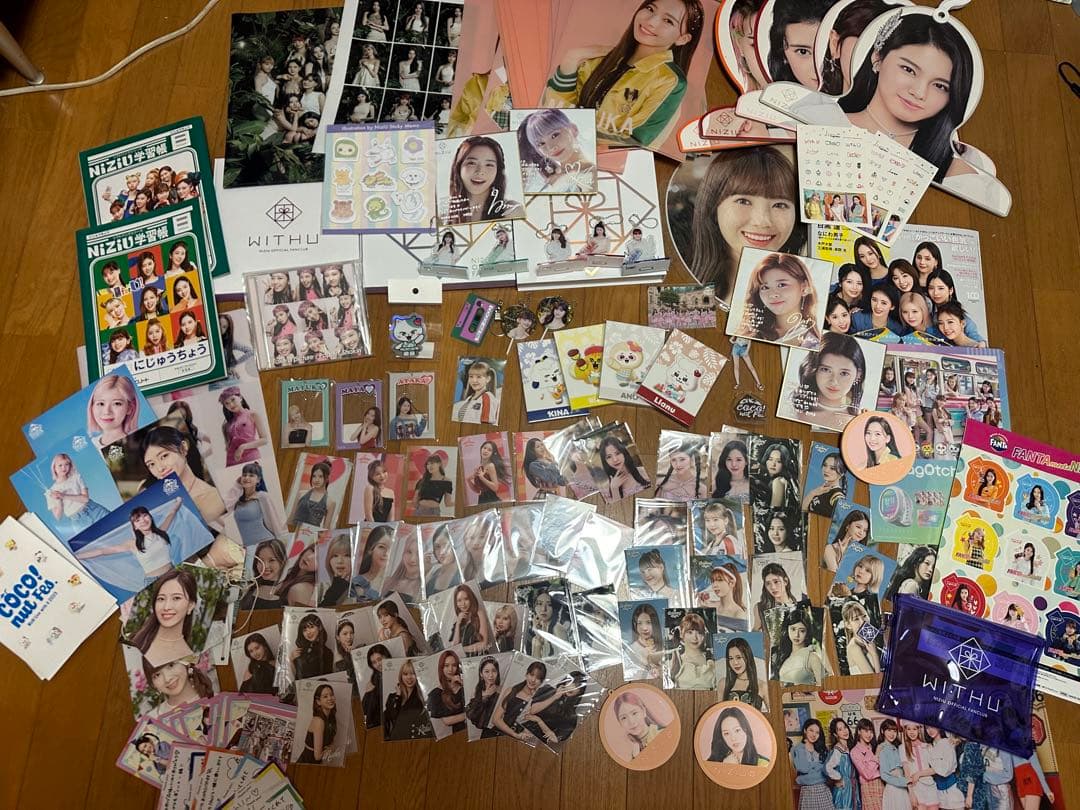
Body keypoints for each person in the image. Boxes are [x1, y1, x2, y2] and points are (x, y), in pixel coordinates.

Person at [542, 0, 705, 148]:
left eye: (668, 21)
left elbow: (636, 139)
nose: (651, 21)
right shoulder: (598, 59)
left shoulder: (670, 81)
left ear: (683, 39)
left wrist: (571, 135)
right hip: (560, 150)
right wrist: (572, 58)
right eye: (650, 9)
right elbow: (552, 110)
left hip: (603, 163)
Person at [684, 146, 802, 296]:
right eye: (743, 201)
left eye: (780, 205)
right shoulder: (680, 288)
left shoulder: (811, 296)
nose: (762, 221)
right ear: (713, 208)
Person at [74, 498, 182, 581]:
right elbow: (102, 551)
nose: (143, 520)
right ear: (135, 527)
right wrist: (76, 557)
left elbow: (172, 513)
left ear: (150, 517)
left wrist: (178, 500)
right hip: (154, 580)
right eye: (137, 520)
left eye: (145, 515)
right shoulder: (132, 544)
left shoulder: (161, 531)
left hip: (173, 572)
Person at [735, 252, 822, 348]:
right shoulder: (750, 332)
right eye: (765, 287)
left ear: (804, 287)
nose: (773, 294)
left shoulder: (813, 344)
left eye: (782, 285)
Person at [789, 331, 866, 430]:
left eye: (844, 373)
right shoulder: (789, 407)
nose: (834, 382)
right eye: (825, 369)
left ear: (858, 375)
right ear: (814, 369)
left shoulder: (861, 420)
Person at [130, 567, 198, 665]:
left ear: (190, 605)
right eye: (161, 599)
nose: (166, 607)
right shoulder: (133, 638)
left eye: (176, 598)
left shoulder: (188, 658)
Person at [517, 109, 596, 193]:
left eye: (554, 135)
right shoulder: (551, 180)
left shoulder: (591, 173)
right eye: (541, 143)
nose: (551, 147)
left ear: (573, 129)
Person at [445, 136, 520, 224]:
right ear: (458, 167)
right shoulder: (444, 218)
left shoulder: (512, 210)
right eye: (472, 163)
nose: (480, 172)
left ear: (498, 171)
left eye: (489, 165)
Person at [492, 661, 568, 744]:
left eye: (538, 678)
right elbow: (496, 719)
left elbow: (534, 726)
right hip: (497, 736)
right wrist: (515, 735)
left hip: (519, 743)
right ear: (526, 674)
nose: (533, 680)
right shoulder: (511, 691)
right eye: (531, 675)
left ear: (542, 681)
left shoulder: (539, 701)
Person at [44, 452, 110, 534]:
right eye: (60, 465)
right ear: (54, 468)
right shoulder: (50, 492)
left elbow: (85, 499)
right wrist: (59, 501)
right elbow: (58, 517)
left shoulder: (76, 477)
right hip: (78, 522)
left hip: (94, 510)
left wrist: (63, 495)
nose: (64, 468)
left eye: (66, 464)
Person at [143, 658, 215, 718]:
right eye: (157, 675)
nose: (167, 679)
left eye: (171, 665)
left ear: (186, 662)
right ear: (153, 684)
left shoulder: (216, 701)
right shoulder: (152, 719)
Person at [384, 659, 434, 740]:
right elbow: (393, 718)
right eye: (405, 674)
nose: (409, 677)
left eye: (413, 673)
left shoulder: (423, 697)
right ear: (401, 676)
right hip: (396, 740)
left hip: (417, 739)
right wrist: (398, 696)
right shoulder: (392, 697)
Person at [774, 607, 825, 686]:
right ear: (787, 629)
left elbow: (824, 686)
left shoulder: (812, 658)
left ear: (807, 632)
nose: (796, 635)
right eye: (793, 629)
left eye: (802, 631)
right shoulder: (784, 656)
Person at [611, 690, 667, 761]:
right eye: (624, 718)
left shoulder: (662, 734)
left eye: (634, 713)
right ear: (620, 722)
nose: (631, 722)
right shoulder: (628, 747)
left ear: (644, 711)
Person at [792, 719, 835, 810]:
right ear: (805, 730)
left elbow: (827, 770)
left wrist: (812, 767)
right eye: (811, 730)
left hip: (823, 790)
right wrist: (818, 766)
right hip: (808, 792)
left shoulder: (822, 749)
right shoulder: (798, 749)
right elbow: (803, 768)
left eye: (817, 732)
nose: (814, 734)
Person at [670, 611, 715, 689]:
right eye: (690, 632)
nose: (695, 638)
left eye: (699, 633)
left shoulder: (711, 658)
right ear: (682, 634)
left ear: (704, 635)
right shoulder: (676, 659)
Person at [599, 434, 651, 501]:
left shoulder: (643, 472)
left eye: (617, 453)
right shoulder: (605, 488)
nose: (615, 459)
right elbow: (617, 507)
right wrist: (614, 489)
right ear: (605, 461)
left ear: (624, 452)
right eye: (609, 457)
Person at [752, 562, 801, 632]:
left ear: (785, 581)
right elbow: (755, 631)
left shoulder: (798, 607)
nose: (773, 587)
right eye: (768, 583)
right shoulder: (760, 608)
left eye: (776, 581)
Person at [426, 650, 467, 735]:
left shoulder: (464, 687)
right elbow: (447, 721)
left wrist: (464, 684)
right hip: (457, 735)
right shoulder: (436, 693)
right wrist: (468, 715)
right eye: (446, 665)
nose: (450, 669)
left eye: (454, 665)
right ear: (441, 668)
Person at [297, 684, 339, 764]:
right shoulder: (319, 721)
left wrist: (330, 748)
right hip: (307, 763)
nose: (330, 698)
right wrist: (330, 749)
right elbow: (318, 756)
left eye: (331, 695)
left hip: (318, 763)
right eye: (325, 696)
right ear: (318, 702)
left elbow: (331, 743)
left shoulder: (331, 718)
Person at [239, 539, 286, 610]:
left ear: (282, 561)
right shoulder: (249, 586)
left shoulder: (289, 590)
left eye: (272, 560)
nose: (265, 566)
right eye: (260, 561)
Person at [350, 525, 392, 602]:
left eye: (391, 548)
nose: (386, 553)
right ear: (370, 549)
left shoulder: (396, 583)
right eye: (381, 547)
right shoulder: (356, 582)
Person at [526, 587, 570, 660]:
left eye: (549, 604)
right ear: (534, 607)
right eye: (539, 604)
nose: (543, 609)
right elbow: (535, 664)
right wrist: (538, 639)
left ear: (554, 607)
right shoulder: (536, 637)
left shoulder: (557, 629)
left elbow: (566, 660)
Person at [290, 460, 337, 529]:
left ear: (327, 478)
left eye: (320, 476)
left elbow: (325, 529)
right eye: (314, 476)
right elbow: (291, 519)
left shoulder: (330, 502)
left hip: (311, 534)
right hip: (294, 532)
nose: (316, 480)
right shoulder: (301, 494)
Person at [722, 636, 765, 710]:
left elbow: (773, 713)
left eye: (739, 657)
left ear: (748, 657)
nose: (735, 663)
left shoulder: (762, 685)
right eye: (731, 658)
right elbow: (719, 713)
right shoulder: (723, 683)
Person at [754, 440, 799, 511]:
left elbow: (775, 511)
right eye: (770, 459)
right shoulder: (777, 480)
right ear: (766, 460)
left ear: (784, 463)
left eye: (778, 461)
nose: (773, 464)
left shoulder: (778, 481)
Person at [825, 718, 859, 810]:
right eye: (840, 729)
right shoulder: (837, 750)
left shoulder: (850, 747)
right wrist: (839, 778)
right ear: (835, 734)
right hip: (844, 789)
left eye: (845, 727)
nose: (844, 731)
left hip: (853, 786)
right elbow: (827, 768)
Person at [841, 600, 881, 675]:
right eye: (856, 619)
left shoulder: (871, 641)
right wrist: (874, 654)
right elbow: (873, 679)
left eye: (864, 616)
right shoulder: (853, 647)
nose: (863, 621)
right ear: (848, 625)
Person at [453, 359, 500, 424]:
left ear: (488, 379)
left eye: (479, 377)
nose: (474, 380)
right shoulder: (469, 398)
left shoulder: (487, 398)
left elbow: (487, 423)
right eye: (471, 376)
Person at [290, 613, 334, 681]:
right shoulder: (300, 650)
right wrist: (291, 660)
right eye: (304, 630)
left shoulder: (327, 653)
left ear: (320, 627)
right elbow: (296, 676)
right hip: (300, 686)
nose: (308, 632)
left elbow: (327, 679)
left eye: (311, 627)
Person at [465, 656, 502, 738]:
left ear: (497, 672)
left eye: (494, 671)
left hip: (499, 731)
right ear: (481, 674)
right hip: (485, 733)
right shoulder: (477, 691)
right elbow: (471, 715)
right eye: (486, 671)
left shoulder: (502, 690)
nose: (491, 675)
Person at [468, 440, 511, 505]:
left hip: (491, 499)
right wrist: (468, 480)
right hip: (481, 500)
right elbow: (478, 490)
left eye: (489, 450)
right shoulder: (479, 468)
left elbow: (495, 487)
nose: (486, 451)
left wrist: (482, 478)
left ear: (492, 453)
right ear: (481, 449)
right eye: (484, 448)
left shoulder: (490, 466)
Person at [627, 602, 662, 679]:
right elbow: (632, 676)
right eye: (640, 623)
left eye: (648, 622)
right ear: (635, 625)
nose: (644, 628)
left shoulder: (663, 647)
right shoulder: (631, 650)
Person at [361, 643, 391, 728]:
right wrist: (367, 692)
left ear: (386, 656)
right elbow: (365, 709)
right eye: (374, 662)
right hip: (378, 725)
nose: (378, 664)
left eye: (379, 659)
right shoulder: (375, 679)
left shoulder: (399, 673)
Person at [414, 452, 453, 517]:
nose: (429, 466)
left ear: (439, 464)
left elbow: (447, 503)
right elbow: (415, 500)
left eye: (432, 463)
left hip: (434, 512)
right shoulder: (422, 481)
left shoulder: (446, 481)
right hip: (419, 511)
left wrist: (460, 503)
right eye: (428, 464)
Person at [424, 525, 460, 594]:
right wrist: (425, 572)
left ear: (455, 545)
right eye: (437, 547)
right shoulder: (432, 574)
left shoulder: (463, 573)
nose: (442, 552)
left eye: (446, 546)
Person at [362, 458, 396, 522]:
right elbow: (368, 515)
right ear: (372, 477)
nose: (382, 476)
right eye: (377, 474)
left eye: (384, 472)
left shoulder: (391, 492)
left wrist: (388, 527)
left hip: (384, 527)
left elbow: (391, 517)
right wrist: (375, 527)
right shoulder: (370, 488)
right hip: (370, 526)